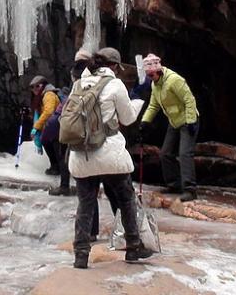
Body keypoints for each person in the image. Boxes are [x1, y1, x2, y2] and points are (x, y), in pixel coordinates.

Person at [68, 47, 153, 269]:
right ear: (113, 66)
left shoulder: (79, 84)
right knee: (126, 199)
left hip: (82, 154)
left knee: (85, 204)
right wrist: (138, 99)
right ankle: (134, 247)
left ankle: (80, 254)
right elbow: (128, 117)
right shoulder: (115, 85)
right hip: (110, 154)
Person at [139, 54, 200, 201]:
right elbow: (154, 105)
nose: (150, 77)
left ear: (158, 71)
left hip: (188, 120)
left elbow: (189, 99)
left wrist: (191, 121)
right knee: (165, 153)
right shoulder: (155, 84)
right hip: (174, 121)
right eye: (148, 75)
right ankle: (174, 184)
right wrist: (144, 122)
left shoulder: (174, 80)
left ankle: (190, 190)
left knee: (185, 153)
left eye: (151, 74)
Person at [48, 49, 91, 197]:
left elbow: (74, 97)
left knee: (64, 153)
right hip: (88, 121)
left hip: (72, 119)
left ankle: (65, 185)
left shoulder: (78, 72)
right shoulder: (94, 74)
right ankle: (84, 187)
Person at [30, 75, 62, 176]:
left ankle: (58, 169)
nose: (34, 89)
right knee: (47, 143)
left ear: (43, 85)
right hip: (51, 127)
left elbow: (48, 112)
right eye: (32, 87)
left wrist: (36, 127)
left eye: (37, 86)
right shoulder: (43, 96)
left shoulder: (49, 95)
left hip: (56, 127)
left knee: (56, 149)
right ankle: (55, 167)